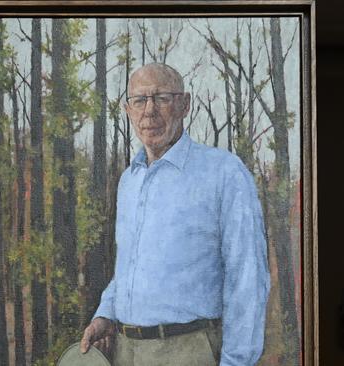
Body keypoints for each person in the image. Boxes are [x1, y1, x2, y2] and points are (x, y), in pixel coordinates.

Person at [78, 63, 270, 366]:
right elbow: (129, 268)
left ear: (184, 105)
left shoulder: (223, 172)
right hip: (124, 353)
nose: (149, 111)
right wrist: (105, 313)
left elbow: (248, 277)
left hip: (188, 351)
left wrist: (237, 362)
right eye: (140, 100)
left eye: (162, 98)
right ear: (128, 110)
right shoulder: (130, 181)